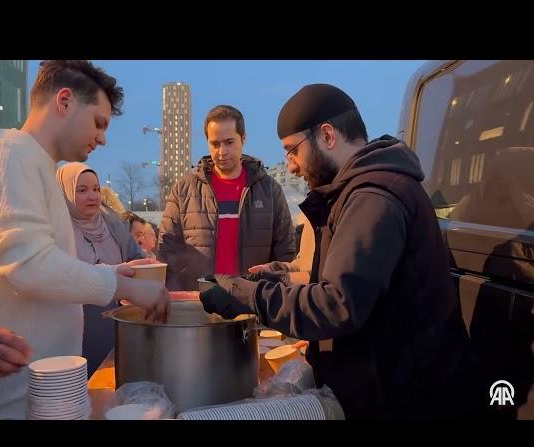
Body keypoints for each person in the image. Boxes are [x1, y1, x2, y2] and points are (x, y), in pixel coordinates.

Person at [200, 84, 480, 419]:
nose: (291, 166)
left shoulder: (374, 196)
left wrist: (247, 295)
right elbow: (348, 282)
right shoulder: (358, 192)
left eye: (292, 151)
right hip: (385, 387)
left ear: (327, 135)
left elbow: (337, 304)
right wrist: (276, 278)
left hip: (406, 400)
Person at [0, 60, 170, 419]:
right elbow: (26, 264)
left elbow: (40, 263)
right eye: (99, 123)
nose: (103, 138)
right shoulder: (7, 150)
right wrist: (116, 284)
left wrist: (116, 272)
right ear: (64, 101)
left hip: (44, 394)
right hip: (9, 402)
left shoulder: (35, 163)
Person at [159, 104, 295, 291]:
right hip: (199, 303)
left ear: (243, 138)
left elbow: (285, 252)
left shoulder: (270, 190)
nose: (222, 151)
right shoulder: (184, 190)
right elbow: (167, 251)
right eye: (215, 144)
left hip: (253, 305)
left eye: (229, 142)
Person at [56, 161, 147, 375]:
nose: (93, 196)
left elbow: (136, 259)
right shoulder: (57, 229)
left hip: (116, 325)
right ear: (64, 193)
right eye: (82, 190)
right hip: (77, 329)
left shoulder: (111, 222)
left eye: (96, 189)